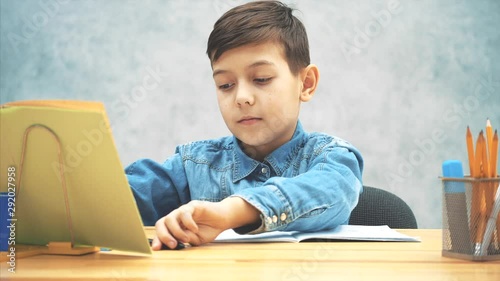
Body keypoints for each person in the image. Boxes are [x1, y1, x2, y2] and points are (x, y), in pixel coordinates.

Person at [126, 0, 363, 250]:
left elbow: (329, 190)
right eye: (225, 85)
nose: (241, 98)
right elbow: (119, 197)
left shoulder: (332, 157)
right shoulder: (192, 165)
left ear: (305, 84)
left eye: (261, 79)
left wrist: (230, 212)